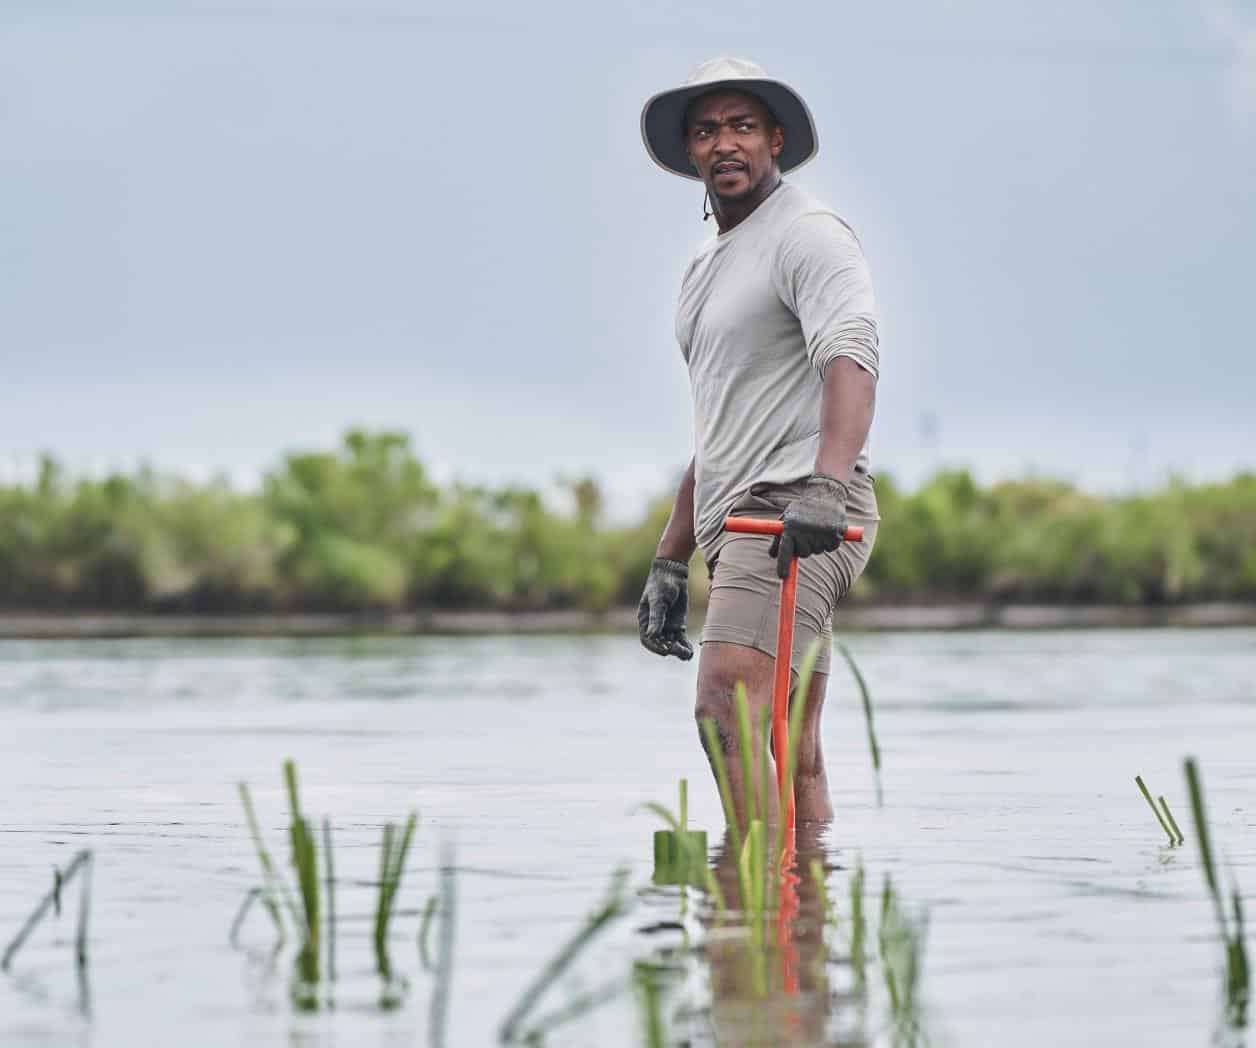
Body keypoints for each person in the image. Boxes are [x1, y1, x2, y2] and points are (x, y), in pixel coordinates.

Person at [636, 57, 881, 825]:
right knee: (789, 741)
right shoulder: (706, 268)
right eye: (707, 130)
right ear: (690, 154)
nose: (725, 143)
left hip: (790, 511)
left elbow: (852, 353)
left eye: (743, 125)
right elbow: (720, 426)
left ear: (775, 138)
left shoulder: (806, 234)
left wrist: (827, 484)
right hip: (739, 516)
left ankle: (745, 918)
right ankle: (801, 922)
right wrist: (670, 559)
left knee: (725, 713)